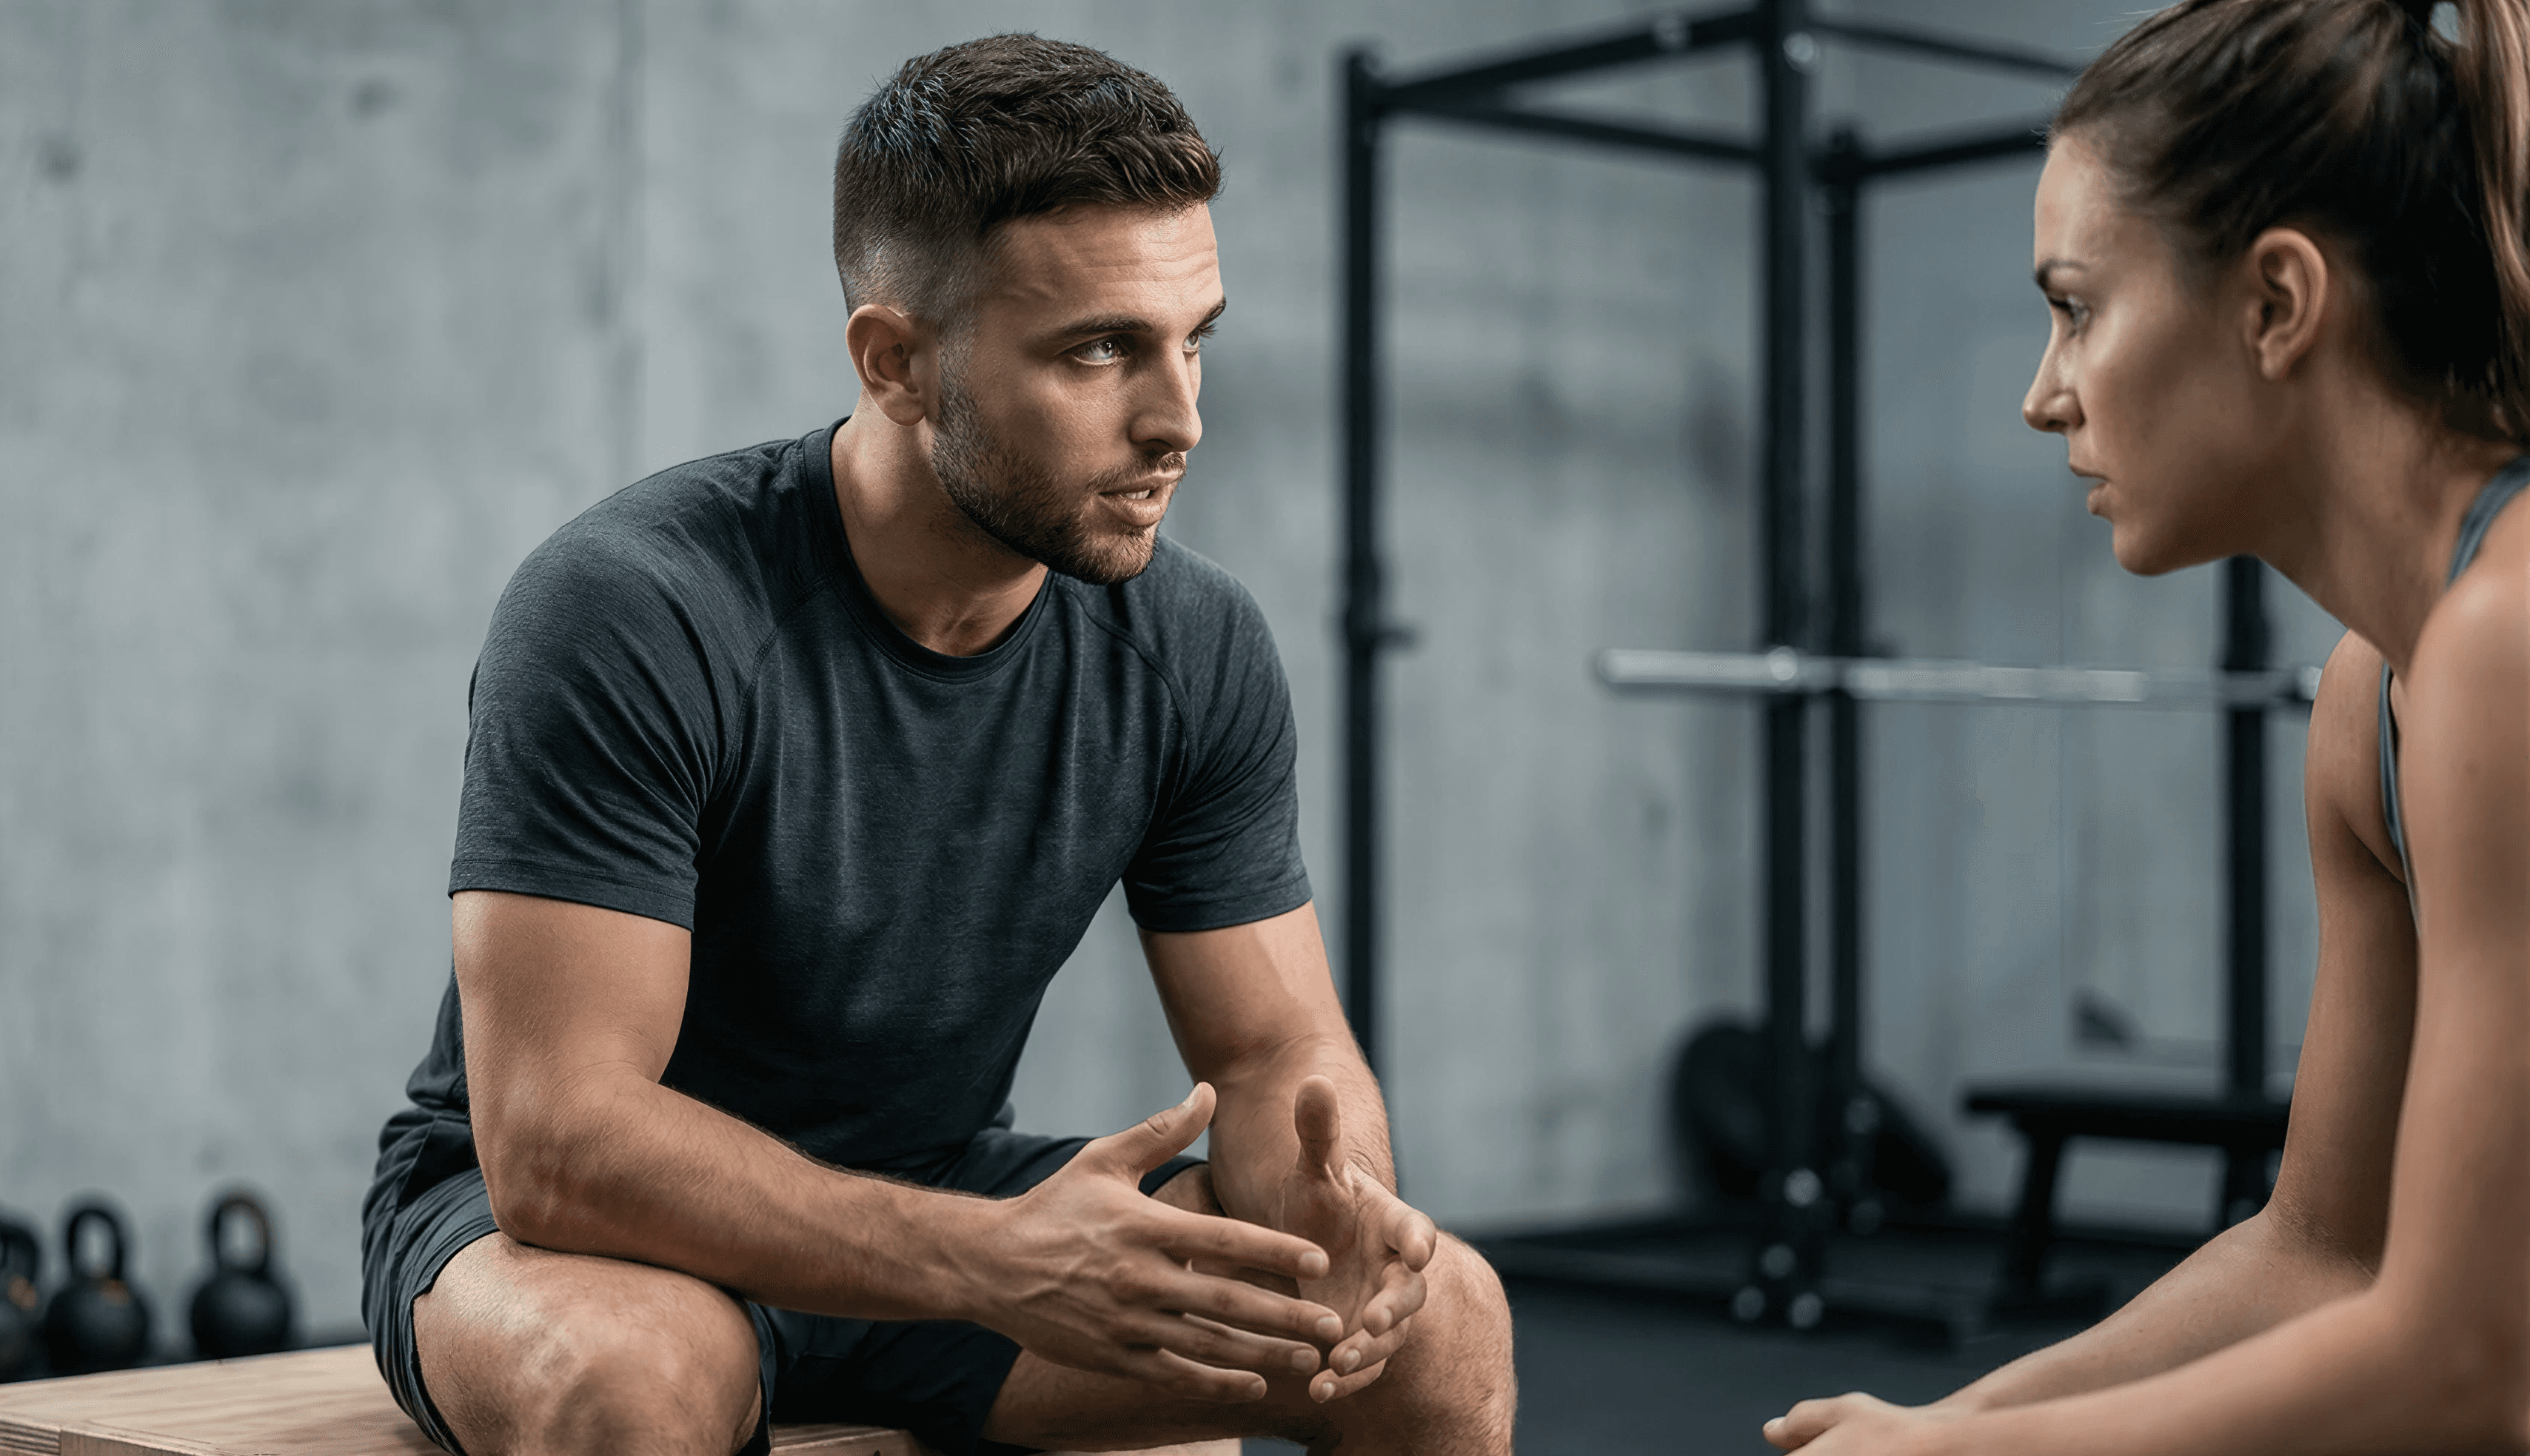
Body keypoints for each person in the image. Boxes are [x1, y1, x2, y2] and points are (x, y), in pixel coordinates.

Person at [356, 33, 1514, 1456]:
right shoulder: (635, 607)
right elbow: (559, 1141)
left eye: (1191, 339)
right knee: (636, 1382)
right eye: (1100, 350)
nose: (1179, 420)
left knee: (1444, 1318)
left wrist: (1335, 1216)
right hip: (582, 1241)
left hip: (939, 1198)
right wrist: (992, 1258)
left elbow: (1276, 1051)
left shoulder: (1191, 643)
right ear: (896, 361)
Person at [1764, 0, 2530, 1452]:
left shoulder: (2510, 636)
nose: (2041, 394)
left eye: (2076, 306)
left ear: (2274, 305)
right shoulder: (2374, 692)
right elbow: (2317, 1242)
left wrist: (1961, 1454)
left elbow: (2467, 1366)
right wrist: (1943, 1415)